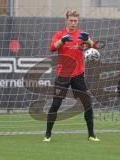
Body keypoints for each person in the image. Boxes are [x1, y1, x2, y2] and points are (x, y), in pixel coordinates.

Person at [43, 10, 100, 142]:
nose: (73, 23)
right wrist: (61, 41)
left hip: (78, 75)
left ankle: (91, 134)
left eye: (75, 21)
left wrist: (89, 41)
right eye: (71, 20)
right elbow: (52, 48)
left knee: (87, 103)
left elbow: (95, 48)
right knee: (56, 104)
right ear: (66, 21)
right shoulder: (60, 34)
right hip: (62, 75)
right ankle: (47, 134)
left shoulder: (82, 35)